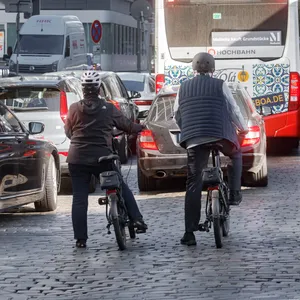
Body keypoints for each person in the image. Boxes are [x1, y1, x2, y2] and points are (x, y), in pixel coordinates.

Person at [64, 71, 147, 248]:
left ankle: (80, 239)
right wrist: (141, 127)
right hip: (103, 157)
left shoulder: (74, 108)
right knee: (120, 185)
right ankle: (137, 219)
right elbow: (127, 126)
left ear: (83, 90)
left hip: (77, 158)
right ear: (99, 89)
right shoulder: (108, 108)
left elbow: (68, 132)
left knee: (79, 198)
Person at [173, 52, 249, 246]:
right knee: (236, 154)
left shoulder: (183, 87)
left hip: (194, 139)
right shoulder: (220, 84)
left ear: (194, 69)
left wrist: (187, 129)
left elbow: (177, 114)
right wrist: (243, 128)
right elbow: (233, 109)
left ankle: (189, 233)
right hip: (220, 135)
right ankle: (234, 193)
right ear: (213, 69)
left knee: (193, 181)